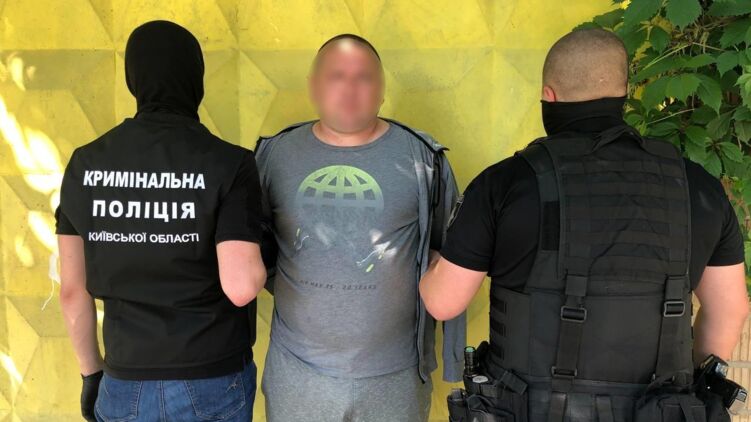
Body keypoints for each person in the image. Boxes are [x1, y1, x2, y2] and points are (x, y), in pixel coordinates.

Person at [420, 28, 749, 421]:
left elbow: (443, 302)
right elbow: (730, 309)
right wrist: (679, 393)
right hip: (659, 410)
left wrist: (431, 258)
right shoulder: (698, 187)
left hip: (529, 408)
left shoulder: (505, 183)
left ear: (549, 96)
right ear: (624, 92)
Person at [56, 20, 266, 422]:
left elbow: (71, 291)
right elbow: (242, 287)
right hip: (211, 376)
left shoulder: (85, 164)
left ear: (133, 80)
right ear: (196, 80)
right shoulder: (230, 163)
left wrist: (91, 374)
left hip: (124, 378)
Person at [254, 33, 465, 422]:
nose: (350, 89)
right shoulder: (274, 154)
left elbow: (453, 260)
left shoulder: (424, 159)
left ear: (382, 89)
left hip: (395, 374)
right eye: (337, 76)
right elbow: (253, 247)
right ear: (313, 86)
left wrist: (454, 363)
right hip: (297, 369)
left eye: (364, 78)